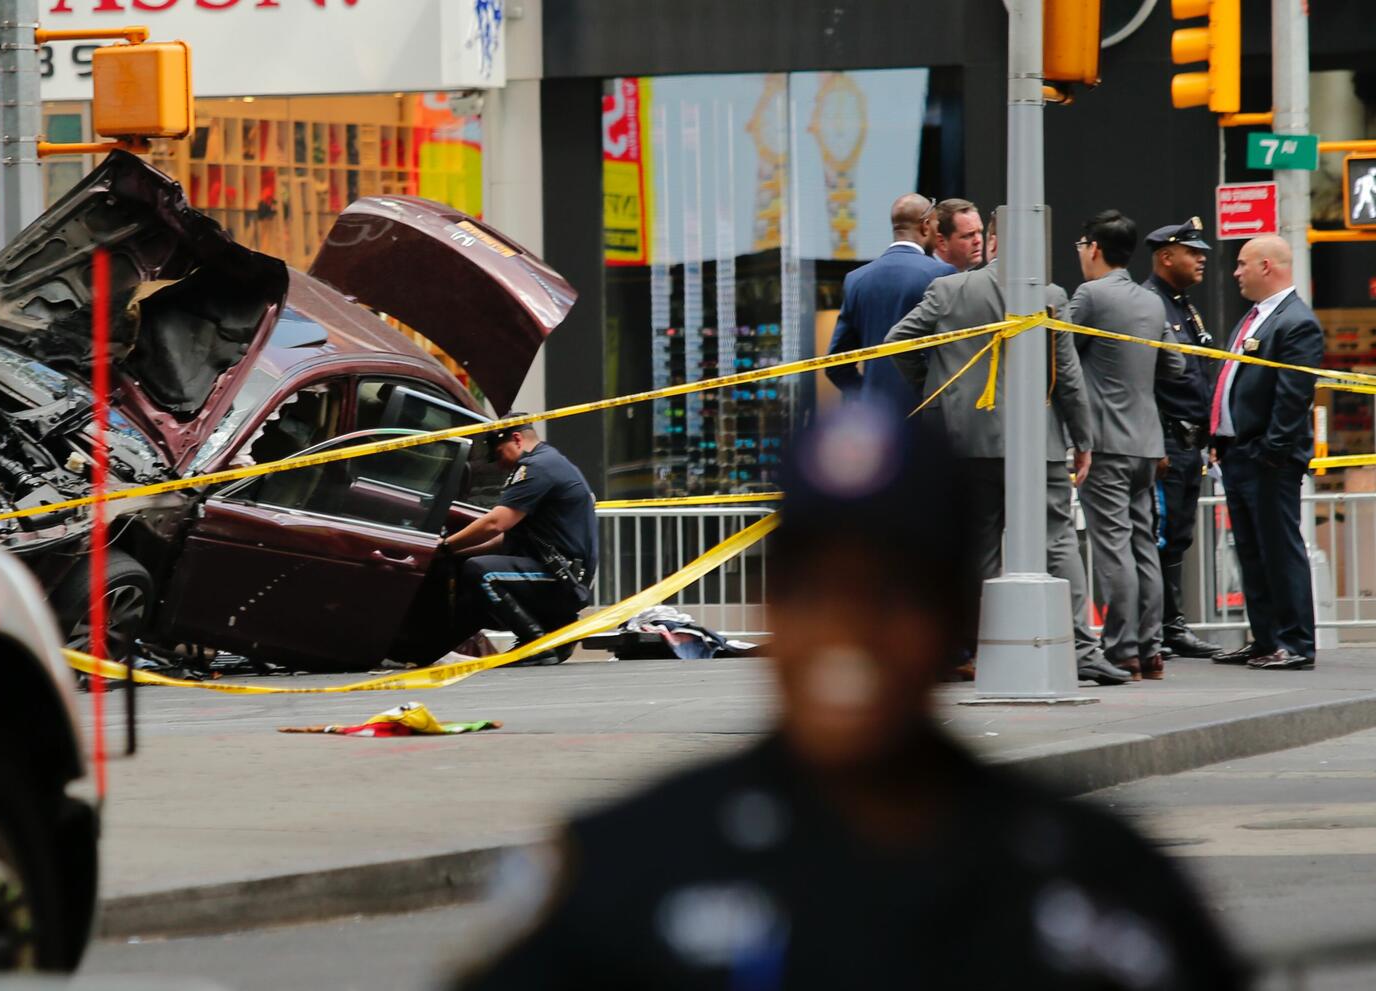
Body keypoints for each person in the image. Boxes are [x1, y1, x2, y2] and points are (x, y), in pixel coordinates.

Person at [452, 403, 1245, 991]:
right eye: (813, 589)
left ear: (959, 616)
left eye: (892, 592)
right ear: (770, 607)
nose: (846, 630)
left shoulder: (1101, 893)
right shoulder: (619, 876)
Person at [887, 214, 1130, 686]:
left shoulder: (950, 291)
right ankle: (1079, 646)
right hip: (1038, 441)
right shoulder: (1050, 296)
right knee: (1058, 540)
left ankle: (979, 649)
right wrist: (1083, 439)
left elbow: (897, 341)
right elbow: (1068, 376)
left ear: (994, 239)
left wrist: (940, 393)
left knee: (978, 546)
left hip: (966, 441)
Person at [1069, 210, 1185, 682]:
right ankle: (1151, 647)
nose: (1079, 253)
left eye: (1081, 244)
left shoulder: (1090, 296)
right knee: (1142, 545)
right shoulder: (1151, 302)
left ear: (1094, 248)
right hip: (1146, 441)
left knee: (1112, 547)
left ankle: (1121, 649)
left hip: (1107, 444)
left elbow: (1059, 355)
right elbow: (1176, 367)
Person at [1209, 236, 1323, 671]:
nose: (1235, 272)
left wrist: (1270, 453)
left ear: (1267, 265)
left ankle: (1295, 643)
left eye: (1242, 264)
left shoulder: (1296, 322)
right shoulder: (1254, 319)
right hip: (1241, 455)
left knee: (1279, 548)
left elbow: (1292, 398)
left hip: (1266, 459)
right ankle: (1265, 639)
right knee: (1252, 551)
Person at [442, 419, 598, 667]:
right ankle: (553, 630)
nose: (499, 464)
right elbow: (503, 538)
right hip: (557, 571)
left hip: (561, 577)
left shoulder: (538, 467)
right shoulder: (550, 462)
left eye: (499, 453)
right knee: (470, 565)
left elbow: (495, 523)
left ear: (516, 439)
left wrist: (444, 546)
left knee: (483, 573)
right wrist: (456, 551)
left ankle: (537, 645)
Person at [1142, 218, 1222, 659]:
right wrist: (1155, 442)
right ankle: (1159, 627)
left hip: (1189, 443)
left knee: (1179, 536)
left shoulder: (1182, 306)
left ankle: (1171, 625)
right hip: (1166, 441)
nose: (1202, 258)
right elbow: (1148, 382)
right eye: (1193, 252)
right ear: (1165, 256)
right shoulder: (1150, 303)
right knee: (1161, 532)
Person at [824, 193, 955, 403]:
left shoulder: (856, 280)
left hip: (875, 425)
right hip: (924, 415)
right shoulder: (942, 274)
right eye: (936, 226)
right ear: (925, 226)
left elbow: (835, 365)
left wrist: (867, 398)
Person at [933, 197, 984, 271]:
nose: (978, 240)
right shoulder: (927, 278)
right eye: (968, 235)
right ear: (941, 242)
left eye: (979, 232)